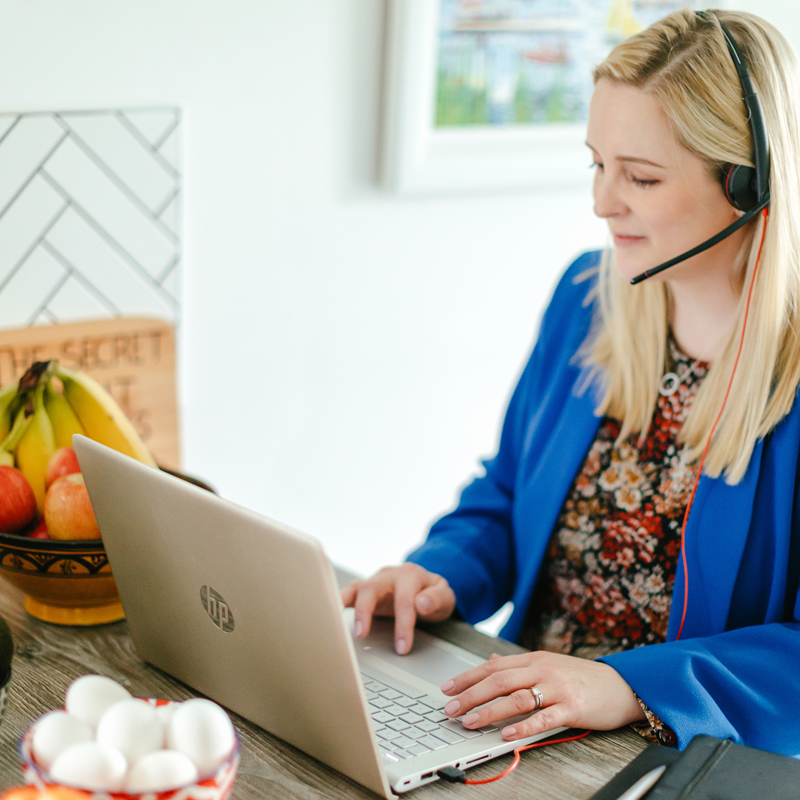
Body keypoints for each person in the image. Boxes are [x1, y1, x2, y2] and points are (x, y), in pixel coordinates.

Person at [342, 8, 800, 756]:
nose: (601, 202)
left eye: (641, 177)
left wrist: (629, 684)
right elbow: (506, 492)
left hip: (680, 752)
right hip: (522, 719)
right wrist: (437, 574)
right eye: (597, 164)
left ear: (750, 183)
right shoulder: (586, 300)